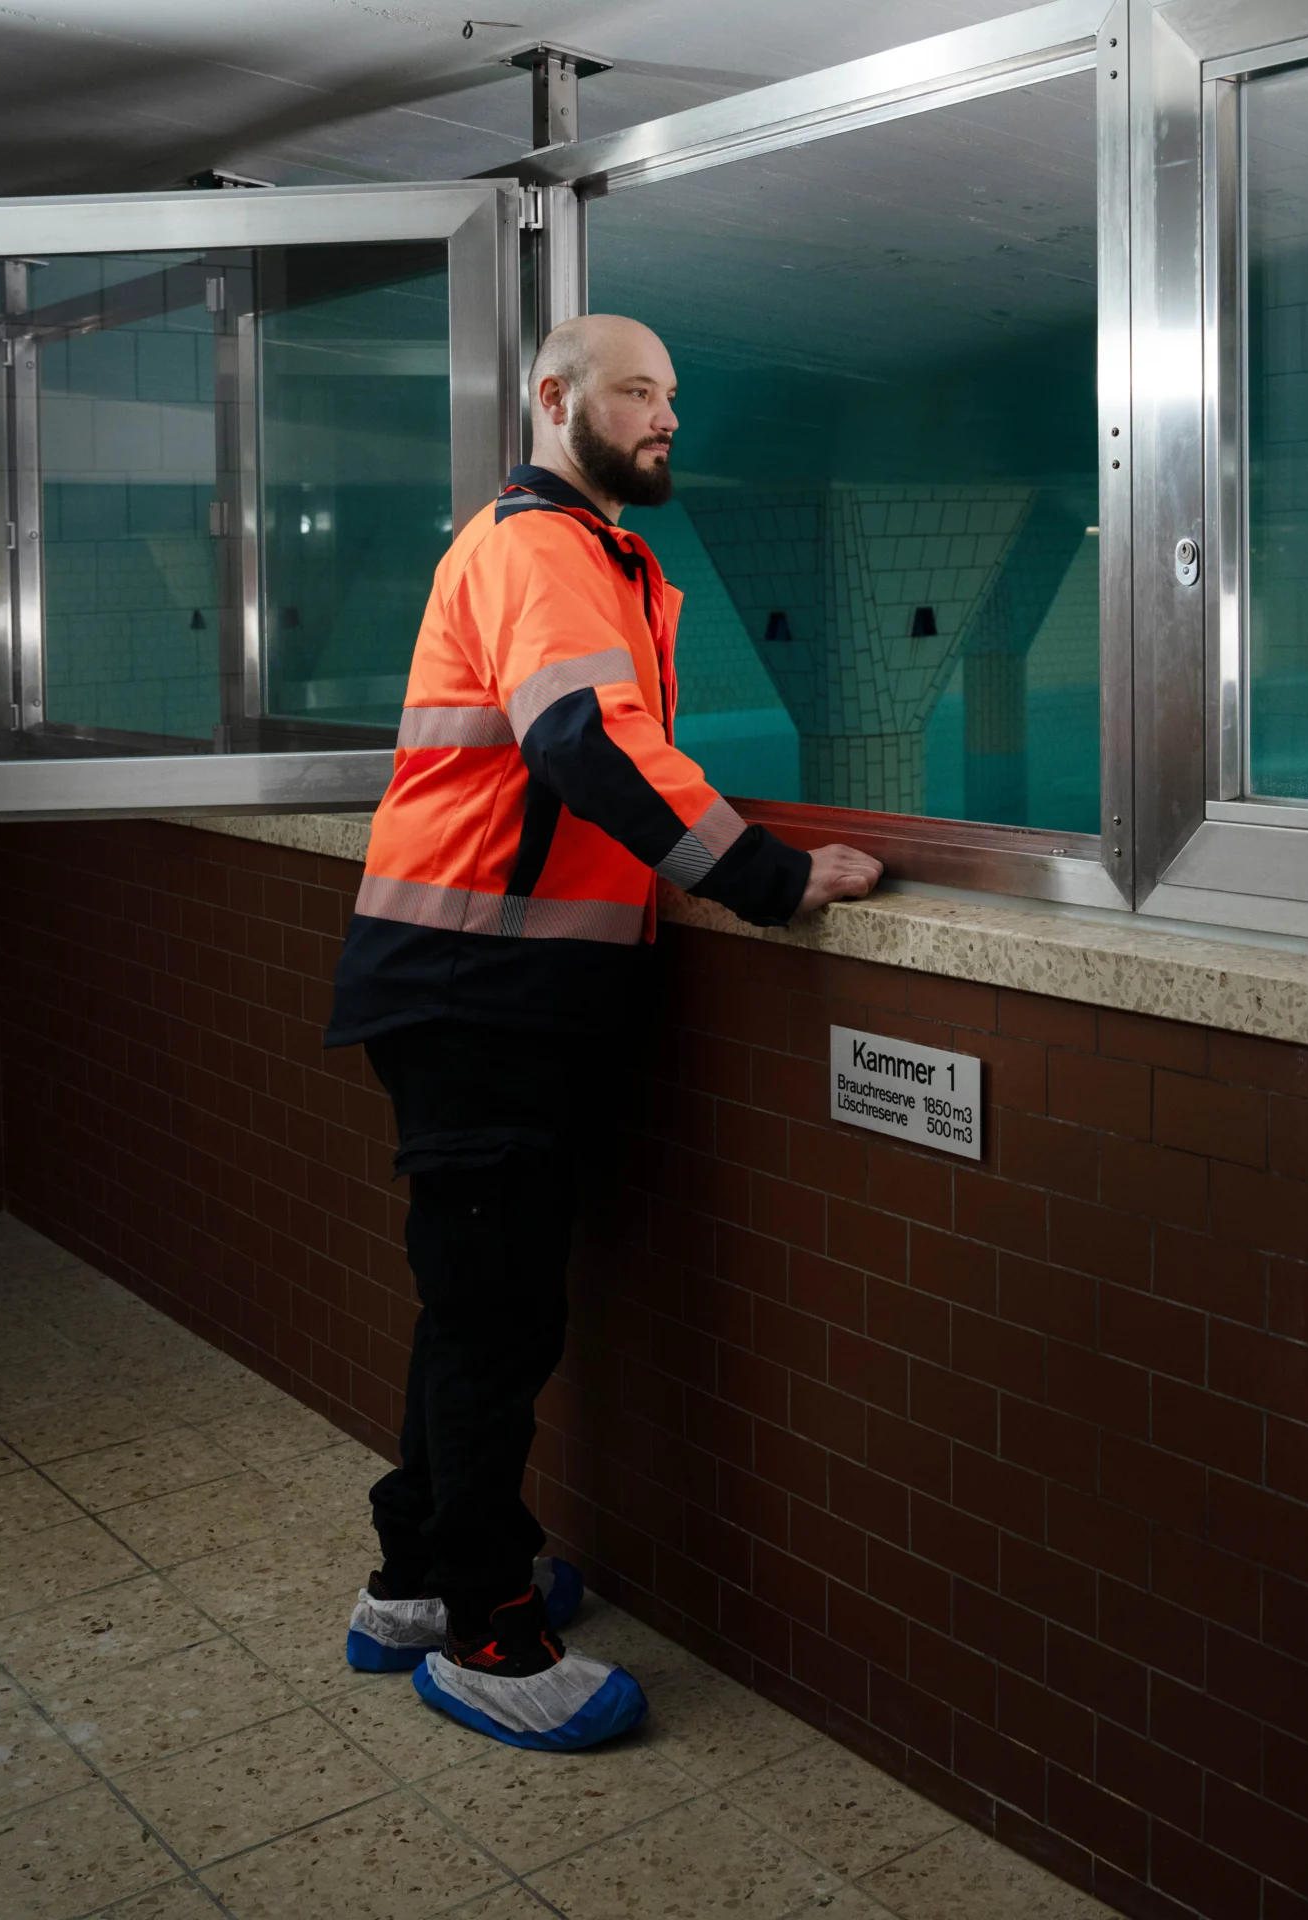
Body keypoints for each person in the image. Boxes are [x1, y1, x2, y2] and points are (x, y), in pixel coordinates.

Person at [322, 313, 882, 1750]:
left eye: (675, 398)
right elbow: (582, 739)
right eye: (638, 392)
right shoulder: (537, 546)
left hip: (488, 989)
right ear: (555, 398)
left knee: (476, 1305)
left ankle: (414, 1579)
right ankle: (489, 1634)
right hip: (471, 992)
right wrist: (765, 876)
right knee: (498, 1316)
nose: (666, 418)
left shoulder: (591, 552)